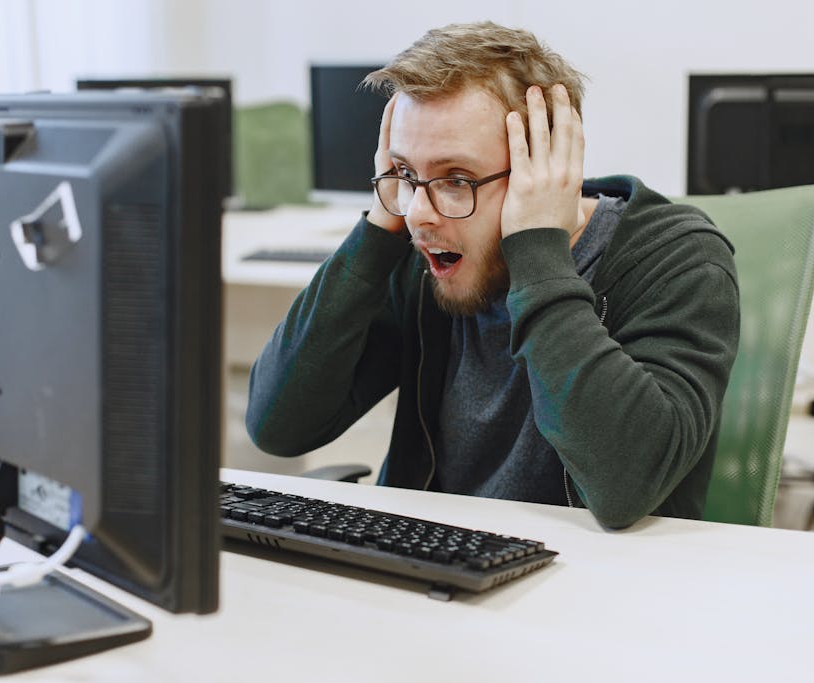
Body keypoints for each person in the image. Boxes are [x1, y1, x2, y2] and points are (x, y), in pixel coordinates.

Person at [245, 21, 739, 530]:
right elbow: (277, 427)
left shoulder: (676, 259)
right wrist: (378, 231)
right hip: (430, 566)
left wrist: (538, 254)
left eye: (456, 179)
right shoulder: (424, 254)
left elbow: (624, 487)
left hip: (591, 591)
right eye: (406, 173)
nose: (418, 213)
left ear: (543, 168)